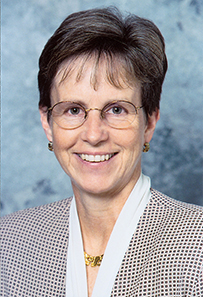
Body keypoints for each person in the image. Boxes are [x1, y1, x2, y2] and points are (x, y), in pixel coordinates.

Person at [1, 7, 202, 297]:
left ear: (150, 122)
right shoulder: (8, 243)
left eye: (116, 109)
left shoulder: (197, 246)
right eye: (73, 110)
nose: (93, 134)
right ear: (47, 123)